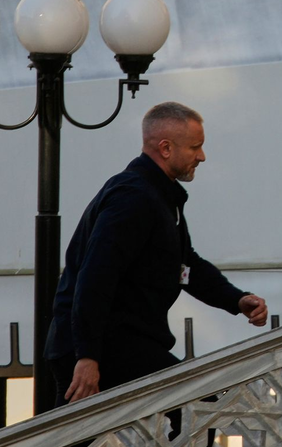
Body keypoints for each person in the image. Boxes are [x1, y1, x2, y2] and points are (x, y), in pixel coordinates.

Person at [46, 102, 268, 406]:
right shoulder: (134, 197)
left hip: (120, 344)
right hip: (105, 347)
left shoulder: (161, 197)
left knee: (197, 412)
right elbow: (96, 277)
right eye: (195, 147)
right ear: (165, 148)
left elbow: (185, 264)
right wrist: (86, 357)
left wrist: (236, 299)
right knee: (199, 410)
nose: (201, 156)